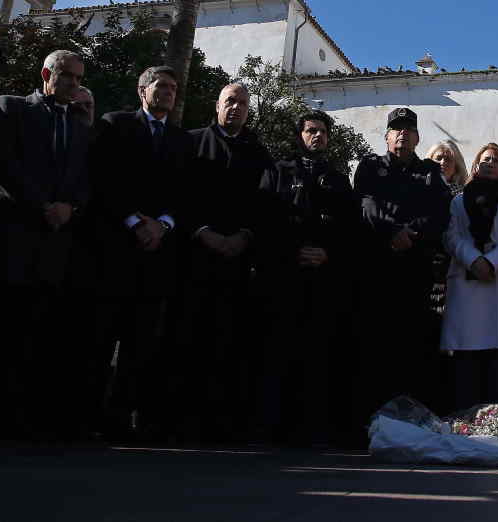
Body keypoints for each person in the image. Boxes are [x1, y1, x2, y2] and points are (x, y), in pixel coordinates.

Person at [0, 49, 92, 438]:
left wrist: (70, 207)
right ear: (46, 73)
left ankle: (13, 418)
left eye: (78, 77)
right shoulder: (10, 107)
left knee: (30, 328)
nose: (73, 83)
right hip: (7, 231)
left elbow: (85, 175)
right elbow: (1, 163)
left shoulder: (80, 125)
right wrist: (42, 204)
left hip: (50, 240)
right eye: (66, 75)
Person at [88, 65, 193, 439]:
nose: (167, 92)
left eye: (173, 88)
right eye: (161, 86)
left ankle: (122, 419)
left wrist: (162, 224)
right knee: (101, 337)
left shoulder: (182, 141)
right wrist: (133, 221)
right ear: (142, 90)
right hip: (116, 248)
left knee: (141, 342)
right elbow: (100, 179)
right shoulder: (114, 125)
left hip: (157, 253)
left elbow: (186, 194)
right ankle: (88, 417)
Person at [180, 82, 281, 442]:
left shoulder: (260, 154)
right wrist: (203, 232)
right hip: (194, 259)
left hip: (239, 263)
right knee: (189, 342)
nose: (236, 108)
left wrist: (244, 237)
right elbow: (180, 195)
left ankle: (224, 424)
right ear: (217, 105)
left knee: (230, 345)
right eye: (230, 101)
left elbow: (266, 204)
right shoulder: (190, 143)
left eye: (242, 103)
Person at [270, 110, 361, 445]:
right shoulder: (279, 172)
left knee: (320, 355)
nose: (317, 136)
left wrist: (329, 254)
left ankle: (315, 428)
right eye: (311, 131)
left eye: (322, 131)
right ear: (300, 135)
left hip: (325, 281)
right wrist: (290, 252)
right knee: (281, 352)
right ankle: (275, 426)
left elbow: (351, 229)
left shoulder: (338, 179)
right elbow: (267, 219)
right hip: (285, 279)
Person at [354, 107, 452, 415]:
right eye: (396, 129)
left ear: (417, 137)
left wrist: (411, 232)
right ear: (386, 136)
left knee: (412, 343)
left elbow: (440, 213)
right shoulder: (370, 167)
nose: (402, 133)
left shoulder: (429, 172)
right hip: (378, 268)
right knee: (375, 342)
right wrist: (392, 231)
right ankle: (372, 414)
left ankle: (411, 414)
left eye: (409, 129)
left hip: (415, 269)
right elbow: (366, 204)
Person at [441, 143, 498, 408]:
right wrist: (474, 260)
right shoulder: (457, 201)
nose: (489, 163)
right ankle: (465, 427)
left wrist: (491, 262)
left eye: (496, 160)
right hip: (467, 284)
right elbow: (451, 235)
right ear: (476, 165)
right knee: (467, 365)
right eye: (484, 159)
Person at [426, 140, 468, 321]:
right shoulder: (420, 190)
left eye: (448, 159)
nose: (443, 162)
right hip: (427, 261)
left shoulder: (466, 196)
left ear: (456, 165)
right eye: (438, 158)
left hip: (456, 262)